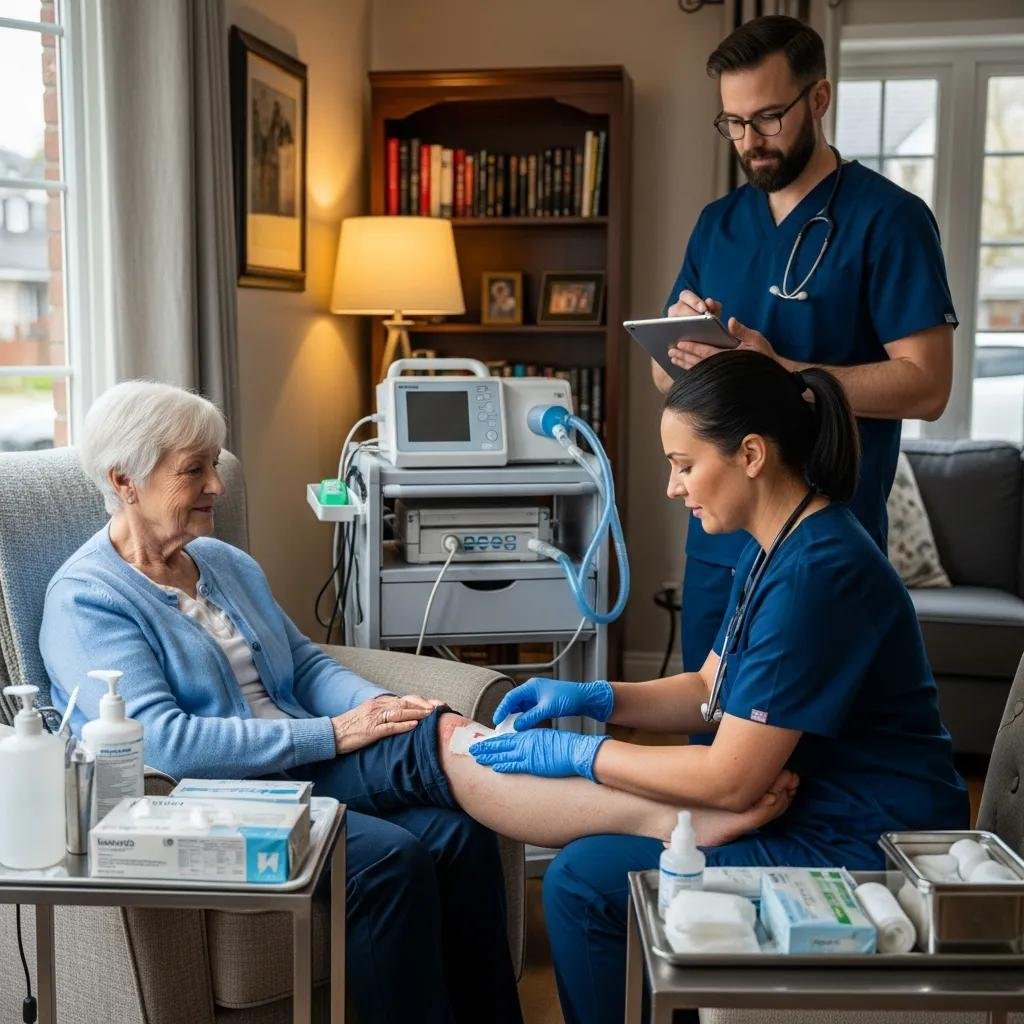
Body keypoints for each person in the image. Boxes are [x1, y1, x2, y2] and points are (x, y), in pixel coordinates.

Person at [40, 380, 797, 1024]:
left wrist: (388, 709)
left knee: (452, 835)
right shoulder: (88, 600)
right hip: (228, 795)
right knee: (404, 821)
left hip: (311, 759)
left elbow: (303, 660)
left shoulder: (222, 563)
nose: (216, 487)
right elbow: (166, 742)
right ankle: (664, 817)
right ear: (123, 479)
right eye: (194, 471)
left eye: (212, 467)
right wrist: (339, 734)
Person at [471, 350, 969, 1024]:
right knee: (595, 858)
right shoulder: (775, 543)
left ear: (752, 455)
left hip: (862, 842)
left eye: (683, 464)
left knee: (583, 883)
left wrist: (579, 755)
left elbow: (730, 779)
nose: (674, 486)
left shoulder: (818, 573)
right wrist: (598, 699)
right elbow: (711, 684)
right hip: (810, 803)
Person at [653, 15, 957, 672]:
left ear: (819, 98)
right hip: (718, 538)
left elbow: (928, 385)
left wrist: (784, 372)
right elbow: (665, 382)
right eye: (732, 123)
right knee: (706, 724)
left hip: (824, 535)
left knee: (808, 754)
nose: (749, 141)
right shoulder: (717, 225)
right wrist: (680, 350)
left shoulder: (891, 220)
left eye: (767, 117)